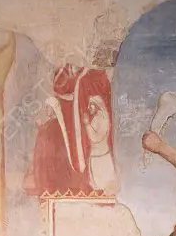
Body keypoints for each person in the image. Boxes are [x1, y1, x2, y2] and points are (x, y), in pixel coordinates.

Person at [24, 64, 117, 195]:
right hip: (73, 125)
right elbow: (60, 86)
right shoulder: (50, 128)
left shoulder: (92, 80)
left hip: (90, 142)